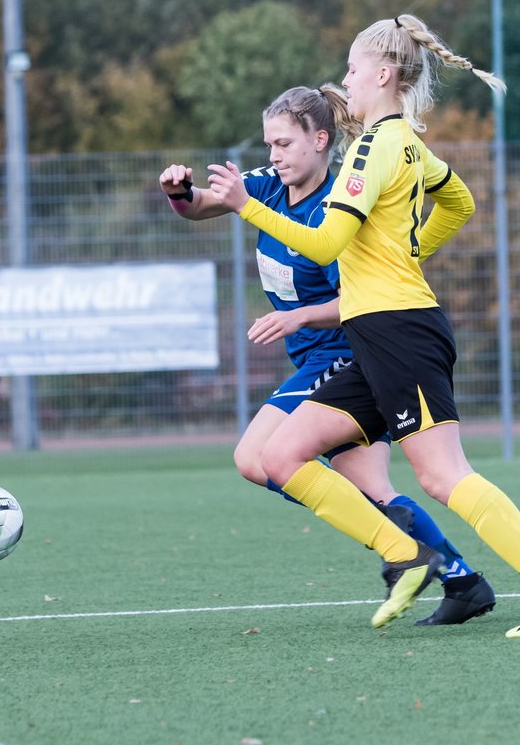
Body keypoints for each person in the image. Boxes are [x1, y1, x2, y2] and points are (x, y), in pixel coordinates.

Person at [199, 15, 520, 638]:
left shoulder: (373, 147)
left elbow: (328, 242)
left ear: (382, 75)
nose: (346, 80)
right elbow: (458, 200)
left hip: (398, 330)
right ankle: (408, 554)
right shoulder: (407, 143)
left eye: (353, 70)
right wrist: (408, 250)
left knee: (442, 475)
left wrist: (247, 207)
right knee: (278, 455)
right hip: (377, 334)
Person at [158, 84, 496, 626]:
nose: (273, 155)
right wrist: (179, 192)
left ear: (320, 141)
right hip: (316, 361)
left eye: (284, 144)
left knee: (257, 458)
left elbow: (357, 298)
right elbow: (203, 207)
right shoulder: (269, 186)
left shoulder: (340, 204)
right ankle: (461, 580)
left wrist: (298, 317)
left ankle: (409, 556)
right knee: (367, 488)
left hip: (351, 355)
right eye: (269, 144)